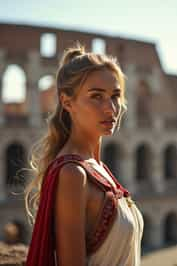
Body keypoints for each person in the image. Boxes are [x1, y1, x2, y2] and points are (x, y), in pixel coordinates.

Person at [25, 43, 144, 266]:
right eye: (96, 96)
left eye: (115, 96)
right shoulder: (73, 174)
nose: (111, 108)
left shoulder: (97, 167)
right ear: (67, 102)